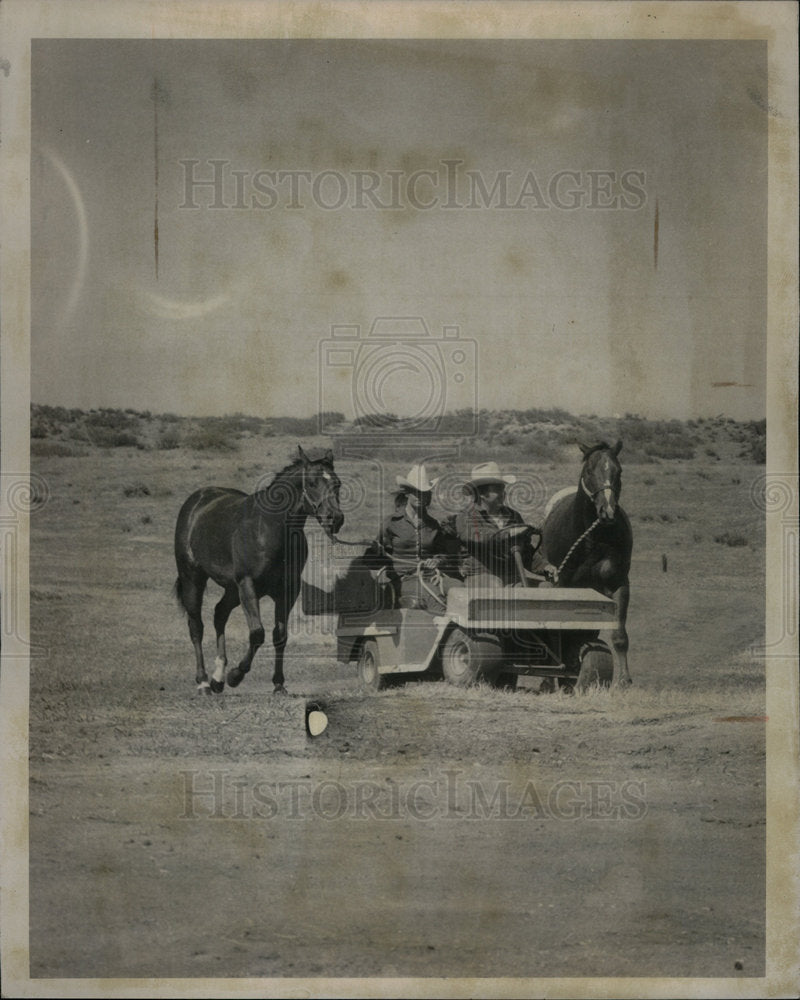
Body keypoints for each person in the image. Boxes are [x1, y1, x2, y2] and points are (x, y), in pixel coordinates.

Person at [370, 464, 460, 610]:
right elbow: (373, 558)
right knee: (434, 599)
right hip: (404, 579)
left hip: (431, 576)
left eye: (424, 493)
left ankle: (467, 631)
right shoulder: (391, 523)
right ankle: (446, 632)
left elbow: (443, 554)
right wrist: (377, 552)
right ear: (407, 493)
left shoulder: (433, 524)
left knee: (461, 590)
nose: (420, 497)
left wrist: (436, 561)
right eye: (415, 492)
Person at [453, 462, 552, 588]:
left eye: (503, 489)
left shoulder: (513, 515)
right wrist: (509, 534)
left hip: (511, 575)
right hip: (480, 575)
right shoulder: (466, 517)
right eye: (498, 490)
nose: (503, 494)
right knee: (496, 586)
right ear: (482, 494)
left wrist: (544, 566)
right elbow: (478, 537)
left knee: (546, 586)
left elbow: (526, 550)